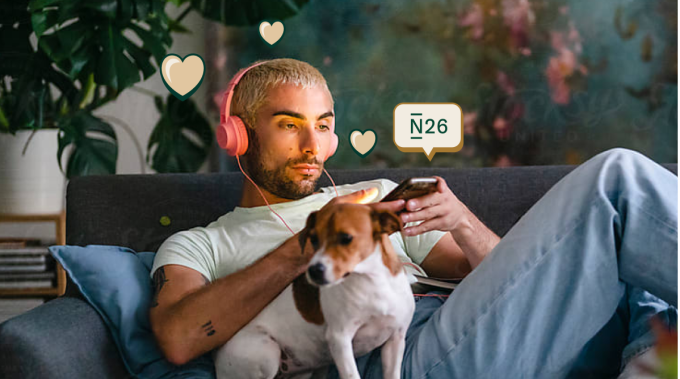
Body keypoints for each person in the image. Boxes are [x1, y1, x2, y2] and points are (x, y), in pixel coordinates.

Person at [148, 58, 678, 379]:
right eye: (290, 125)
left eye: (324, 126)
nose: (314, 145)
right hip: (403, 361)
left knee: (644, 272)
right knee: (619, 181)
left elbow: (517, 292)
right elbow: (178, 337)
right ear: (238, 134)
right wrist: (314, 243)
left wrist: (463, 222)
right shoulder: (200, 244)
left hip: (478, 339)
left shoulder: (377, 196)